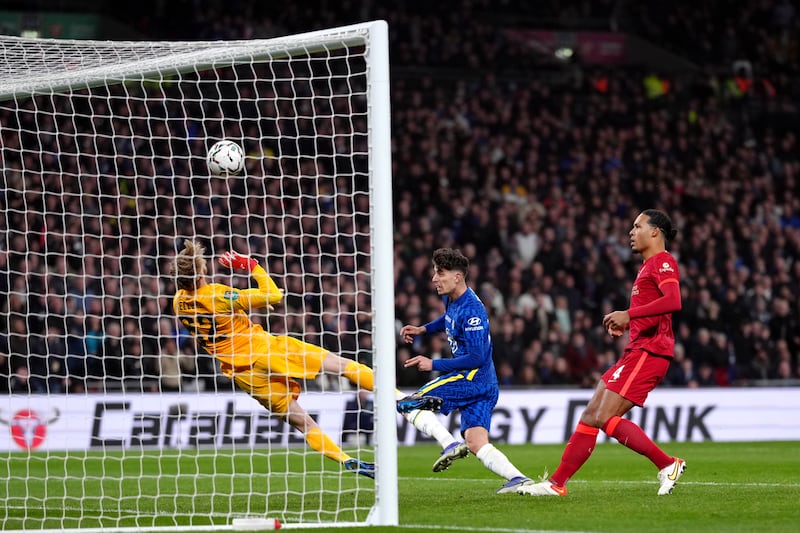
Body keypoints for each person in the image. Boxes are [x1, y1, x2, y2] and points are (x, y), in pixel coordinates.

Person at [172, 240, 377, 478]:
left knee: (304, 423)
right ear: (201, 272)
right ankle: (399, 398)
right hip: (263, 350)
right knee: (341, 365)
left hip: (243, 375)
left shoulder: (178, 302)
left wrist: (241, 309)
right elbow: (272, 295)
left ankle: (345, 459)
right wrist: (250, 265)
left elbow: (221, 315)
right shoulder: (217, 295)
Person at [518, 209, 686, 497]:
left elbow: (674, 300)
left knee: (605, 416)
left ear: (655, 231)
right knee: (591, 414)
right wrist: (629, 322)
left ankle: (668, 464)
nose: (631, 232)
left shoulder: (664, 262)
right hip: (637, 349)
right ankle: (556, 483)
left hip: (650, 351)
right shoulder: (647, 267)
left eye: (637, 226)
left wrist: (628, 315)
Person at [397, 247, 533, 494]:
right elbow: (448, 319)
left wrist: (433, 364)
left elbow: (476, 357)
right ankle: (518, 478)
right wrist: (423, 330)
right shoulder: (450, 298)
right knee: (476, 442)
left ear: (457, 276)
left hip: (472, 378)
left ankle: (449, 444)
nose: (434, 278)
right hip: (486, 383)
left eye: (440, 273)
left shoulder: (473, 311)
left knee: (408, 404)